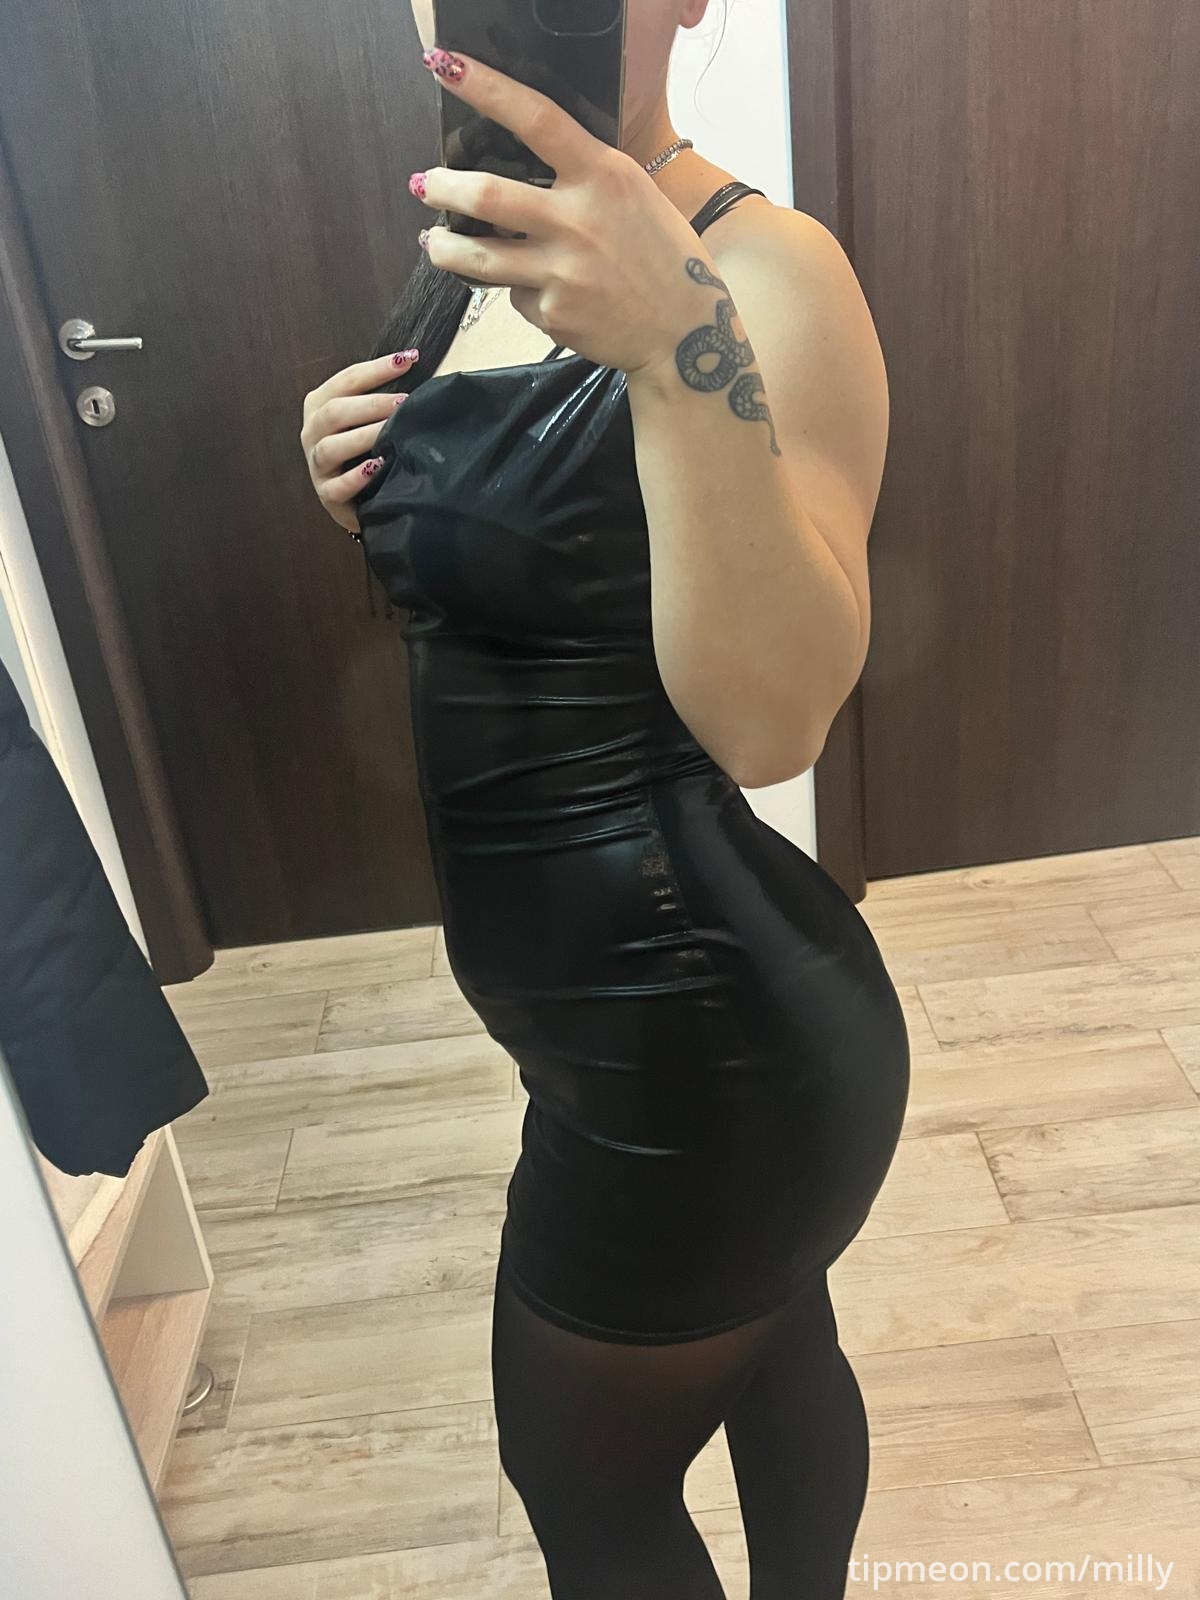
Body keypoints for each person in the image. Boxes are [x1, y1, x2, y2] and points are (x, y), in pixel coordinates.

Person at [299, 3, 909, 1595]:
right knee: (776, 1342)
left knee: (582, 1492)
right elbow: (528, 567)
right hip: (600, 1032)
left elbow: (774, 724)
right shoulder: (471, 251)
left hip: (705, 1045)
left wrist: (676, 341)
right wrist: (360, 478)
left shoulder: (770, 273)